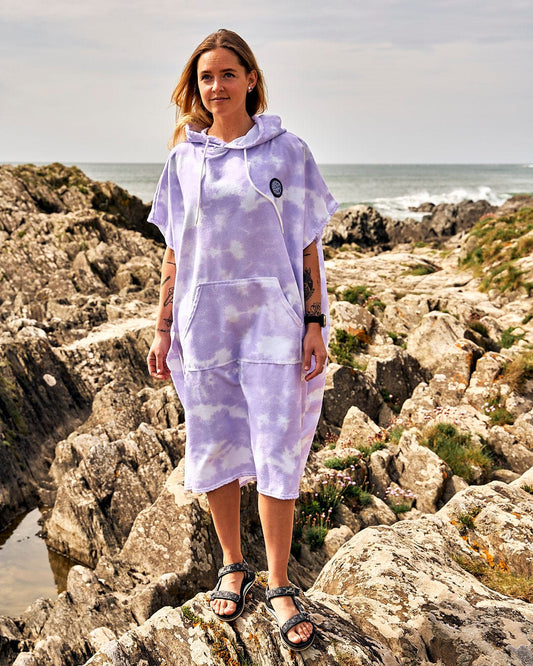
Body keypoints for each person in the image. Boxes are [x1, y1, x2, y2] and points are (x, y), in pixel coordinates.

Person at [146, 28, 337, 651]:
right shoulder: (184, 160)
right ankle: (234, 563)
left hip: (275, 326)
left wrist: (314, 321)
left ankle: (278, 580)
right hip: (206, 329)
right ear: (196, 87)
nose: (217, 86)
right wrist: (163, 324)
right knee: (214, 448)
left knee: (279, 451)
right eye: (206, 77)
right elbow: (176, 251)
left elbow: (308, 243)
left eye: (228, 74)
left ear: (251, 78)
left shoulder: (288, 152)